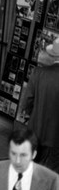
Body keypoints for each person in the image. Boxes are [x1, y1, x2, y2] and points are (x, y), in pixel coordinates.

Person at [19, 37, 59, 174]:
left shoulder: (38, 72)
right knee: (51, 173)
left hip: (36, 129)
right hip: (56, 137)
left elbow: (28, 100)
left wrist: (30, 113)